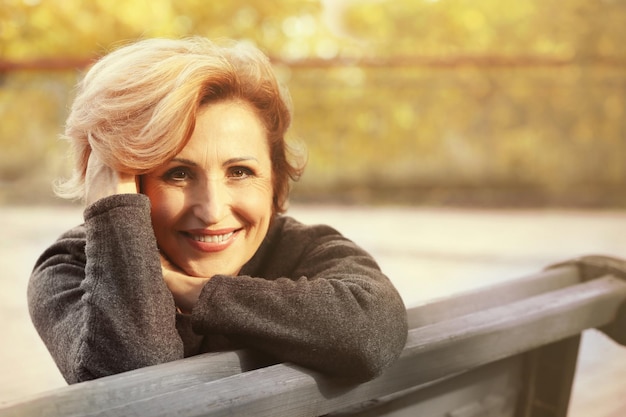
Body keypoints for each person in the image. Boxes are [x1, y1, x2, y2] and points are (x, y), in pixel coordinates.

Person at [27, 37, 408, 385]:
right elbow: (139, 386)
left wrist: (196, 292)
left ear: (275, 180)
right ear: (125, 184)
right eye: (177, 174)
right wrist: (117, 220)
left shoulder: (303, 248)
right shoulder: (69, 267)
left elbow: (369, 331)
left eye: (240, 171)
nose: (211, 211)